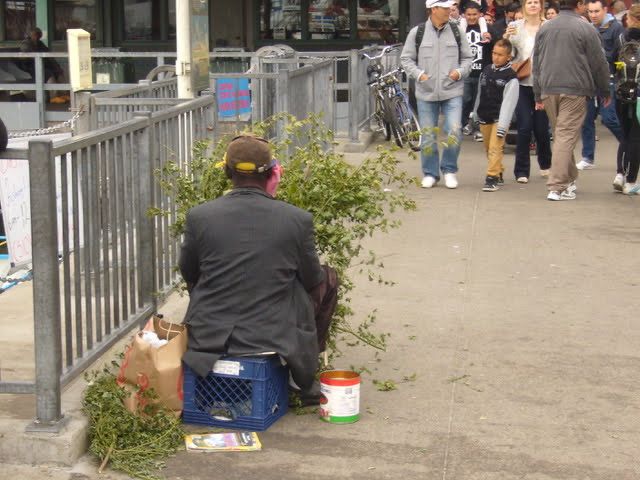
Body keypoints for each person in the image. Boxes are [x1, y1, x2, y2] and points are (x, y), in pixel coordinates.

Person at [179, 134, 338, 403]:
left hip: (210, 333)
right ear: (273, 173)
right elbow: (313, 279)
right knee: (328, 277)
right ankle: (302, 376)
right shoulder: (297, 219)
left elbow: (189, 273)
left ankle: (213, 330)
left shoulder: (199, 216)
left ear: (227, 171)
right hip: (274, 333)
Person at [532, 0, 610, 200]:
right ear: (580, 4)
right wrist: (605, 90)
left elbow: (536, 63)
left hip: (549, 87)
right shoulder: (586, 28)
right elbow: (599, 63)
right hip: (575, 88)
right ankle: (557, 185)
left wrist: (538, 93)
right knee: (565, 136)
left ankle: (569, 178)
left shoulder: (545, 27)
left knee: (561, 135)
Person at [400, 0, 473, 189]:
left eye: (450, 7)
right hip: (426, 92)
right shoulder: (417, 32)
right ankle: (430, 173)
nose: (450, 10)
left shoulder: (457, 31)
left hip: (452, 90)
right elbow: (406, 59)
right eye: (445, 8)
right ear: (433, 9)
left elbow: (468, 58)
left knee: (454, 131)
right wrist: (420, 75)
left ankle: (449, 170)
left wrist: (459, 73)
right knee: (428, 135)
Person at [504, 0, 552, 183]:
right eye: (529, 2)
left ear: (541, 6)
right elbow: (508, 53)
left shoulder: (549, 26)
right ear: (524, 6)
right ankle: (521, 171)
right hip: (521, 82)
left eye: (536, 2)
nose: (533, 5)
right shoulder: (515, 26)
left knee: (541, 129)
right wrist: (507, 37)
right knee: (524, 127)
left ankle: (546, 164)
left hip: (543, 84)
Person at [577, 0, 624, 170]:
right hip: (589, 81)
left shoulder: (616, 28)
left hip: (609, 78)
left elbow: (622, 55)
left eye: (596, 11)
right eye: (590, 11)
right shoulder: (587, 27)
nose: (593, 15)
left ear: (605, 9)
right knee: (586, 119)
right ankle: (588, 157)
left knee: (609, 118)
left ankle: (629, 145)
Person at [472, 39, 519, 191]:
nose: (496, 57)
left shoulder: (511, 77)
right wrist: (475, 113)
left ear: (508, 57)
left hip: (500, 118)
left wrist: (503, 125)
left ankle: (491, 177)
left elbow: (509, 103)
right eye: (494, 53)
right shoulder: (486, 70)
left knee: (495, 148)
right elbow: (479, 93)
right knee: (488, 148)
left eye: (500, 55)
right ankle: (499, 170)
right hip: (484, 115)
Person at [613, 4, 640, 194]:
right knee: (636, 138)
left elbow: (612, 62)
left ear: (631, 18)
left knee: (625, 134)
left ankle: (620, 174)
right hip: (639, 94)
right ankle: (631, 181)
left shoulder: (621, 38)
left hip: (622, 93)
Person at [460, 2, 495, 142]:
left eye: (474, 14)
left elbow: (495, 45)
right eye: (468, 14)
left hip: (482, 71)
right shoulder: (459, 29)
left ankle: (478, 127)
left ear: (480, 14)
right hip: (466, 72)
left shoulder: (487, 28)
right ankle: (462, 125)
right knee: (464, 100)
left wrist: (490, 38)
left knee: (479, 102)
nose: (471, 17)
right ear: (464, 15)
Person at [20, 27, 67, 103]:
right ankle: (53, 97)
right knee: (49, 74)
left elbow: (48, 54)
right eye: (35, 35)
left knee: (58, 71)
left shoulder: (40, 43)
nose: (37, 37)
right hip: (31, 67)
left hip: (43, 65)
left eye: (38, 35)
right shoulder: (25, 44)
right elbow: (30, 56)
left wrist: (57, 67)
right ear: (31, 35)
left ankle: (63, 94)